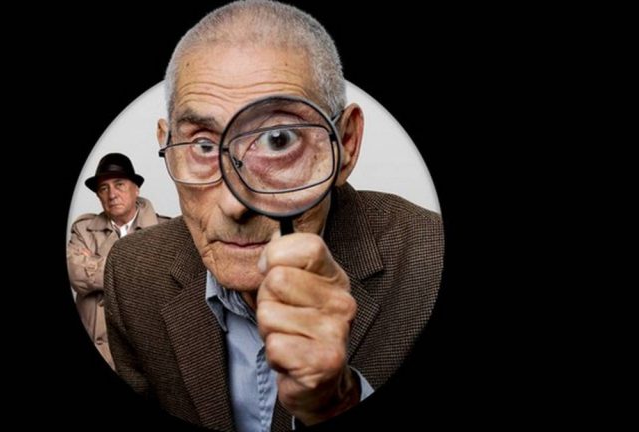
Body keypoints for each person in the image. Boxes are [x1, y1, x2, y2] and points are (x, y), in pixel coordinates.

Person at [103, 1, 443, 430]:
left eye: (278, 140)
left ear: (345, 143)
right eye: (203, 146)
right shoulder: (131, 273)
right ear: (166, 143)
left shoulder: (432, 264)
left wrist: (339, 404)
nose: (235, 204)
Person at [67, 152, 169, 369]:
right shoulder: (83, 230)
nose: (112, 194)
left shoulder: (164, 230)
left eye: (119, 184)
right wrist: (140, 268)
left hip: (146, 354)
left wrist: (95, 262)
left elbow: (162, 285)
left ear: (136, 189)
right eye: (104, 188)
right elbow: (75, 275)